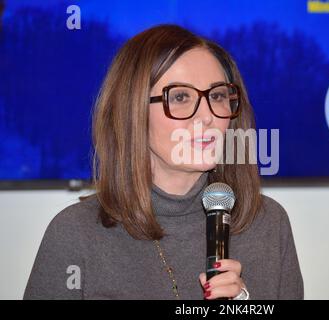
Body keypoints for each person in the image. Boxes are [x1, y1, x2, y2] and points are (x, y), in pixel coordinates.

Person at [23, 24, 304, 300]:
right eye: (181, 97)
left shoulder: (268, 223)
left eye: (218, 96)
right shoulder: (75, 233)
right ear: (133, 112)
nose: (207, 116)